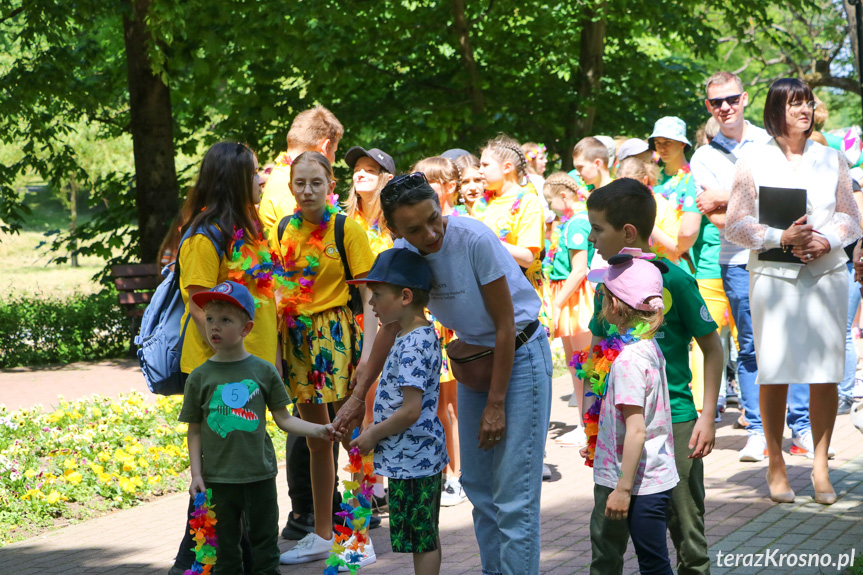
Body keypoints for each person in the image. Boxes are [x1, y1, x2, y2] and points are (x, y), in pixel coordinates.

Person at [334, 173, 552, 575]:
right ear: (395, 230)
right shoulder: (403, 253)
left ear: (439, 203)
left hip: (518, 354)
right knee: (481, 491)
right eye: (414, 229)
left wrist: (496, 404)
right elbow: (390, 325)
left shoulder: (474, 240)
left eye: (434, 218)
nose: (431, 233)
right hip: (474, 362)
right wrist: (356, 396)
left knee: (514, 497)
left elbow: (505, 326)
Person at [725, 77, 862, 504]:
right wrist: (778, 237)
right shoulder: (752, 161)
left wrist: (830, 239)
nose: (805, 110)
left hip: (825, 274)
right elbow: (736, 223)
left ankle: (821, 467)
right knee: (776, 370)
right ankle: (776, 465)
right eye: (795, 104)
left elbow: (850, 215)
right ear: (776, 110)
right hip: (773, 277)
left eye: (808, 103)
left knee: (825, 371)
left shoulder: (831, 157)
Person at [586, 178, 722, 575]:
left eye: (598, 229)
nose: (592, 238)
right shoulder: (607, 284)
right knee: (606, 536)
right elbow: (597, 353)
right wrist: (592, 422)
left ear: (627, 232)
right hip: (617, 426)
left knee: (686, 531)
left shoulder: (676, 280)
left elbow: (713, 349)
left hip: (676, 423)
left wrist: (707, 416)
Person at [691, 71, 817, 463]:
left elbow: (796, 198)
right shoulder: (703, 157)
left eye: (731, 99)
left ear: (745, 98)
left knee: (790, 340)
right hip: (736, 260)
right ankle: (760, 431)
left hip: (784, 254)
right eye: (716, 103)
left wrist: (728, 196)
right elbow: (717, 221)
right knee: (750, 346)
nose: (724, 108)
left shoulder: (772, 141)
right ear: (708, 107)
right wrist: (752, 207)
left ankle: (800, 426)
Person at [181, 281, 339, 575]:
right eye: (211, 318)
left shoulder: (262, 371)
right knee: (225, 553)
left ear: (246, 328)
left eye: (225, 320)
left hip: (260, 475)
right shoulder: (200, 377)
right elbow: (195, 429)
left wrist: (320, 429)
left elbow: (284, 419)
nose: (214, 326)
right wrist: (197, 474)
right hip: (218, 479)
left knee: (265, 548)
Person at [169, 141, 276, 575]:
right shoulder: (203, 235)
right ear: (234, 179)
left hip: (249, 366)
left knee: (241, 465)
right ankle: (193, 559)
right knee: (217, 473)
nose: (261, 179)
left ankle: (234, 555)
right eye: (253, 173)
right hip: (218, 371)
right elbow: (198, 303)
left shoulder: (247, 229)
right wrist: (227, 358)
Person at [275, 152, 378, 565]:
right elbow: (279, 292)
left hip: (338, 338)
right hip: (299, 342)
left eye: (316, 182)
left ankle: (358, 536)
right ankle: (321, 533)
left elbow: (371, 292)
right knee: (318, 441)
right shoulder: (284, 229)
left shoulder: (345, 228)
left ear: (330, 184)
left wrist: (370, 351)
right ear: (290, 187)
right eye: (300, 183)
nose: (307, 191)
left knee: (355, 436)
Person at [348, 248, 449, 575]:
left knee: (423, 540)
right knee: (420, 538)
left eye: (377, 295)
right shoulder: (410, 335)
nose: (372, 303)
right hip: (411, 457)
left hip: (416, 458)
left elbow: (410, 411)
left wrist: (372, 435)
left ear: (405, 296)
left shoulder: (413, 344)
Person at [580, 250, 678, 575]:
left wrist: (622, 489)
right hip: (649, 475)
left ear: (615, 305)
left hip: (638, 484)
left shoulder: (628, 361)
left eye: (604, 295)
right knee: (653, 560)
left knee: (653, 563)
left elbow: (637, 430)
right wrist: (602, 443)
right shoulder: (646, 347)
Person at [411, 156, 467, 506]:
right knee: (432, 403)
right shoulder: (413, 232)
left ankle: (458, 476)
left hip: (453, 326)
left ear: (448, 187)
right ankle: (444, 470)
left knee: (452, 406)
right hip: (428, 323)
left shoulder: (460, 225)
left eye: (430, 182)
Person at [542, 172, 593, 447]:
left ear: (563, 196)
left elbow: (579, 270)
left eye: (551, 200)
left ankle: (591, 423)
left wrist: (557, 303)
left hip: (574, 296)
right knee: (577, 364)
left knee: (585, 363)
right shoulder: (570, 222)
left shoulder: (576, 224)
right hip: (567, 294)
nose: (550, 206)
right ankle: (585, 422)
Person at [477, 135, 547, 330]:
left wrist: (487, 241)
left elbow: (527, 257)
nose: (480, 170)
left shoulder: (527, 202)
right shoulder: (483, 202)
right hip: (487, 293)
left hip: (519, 298)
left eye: (485, 165)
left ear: (507, 167)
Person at [258, 106, 344, 230]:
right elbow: (304, 239)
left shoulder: (284, 172)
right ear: (325, 147)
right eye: (334, 151)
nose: (334, 159)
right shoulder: (292, 188)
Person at [343, 146, 397, 253]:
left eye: (369, 170)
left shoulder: (398, 221)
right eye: (356, 170)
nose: (360, 175)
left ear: (388, 179)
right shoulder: (345, 222)